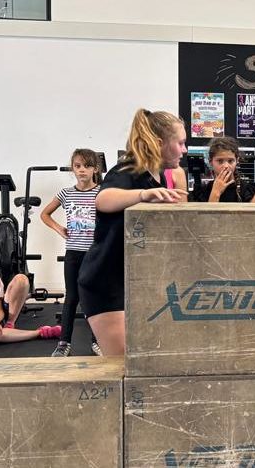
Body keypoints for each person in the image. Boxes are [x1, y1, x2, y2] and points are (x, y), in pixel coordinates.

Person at [77, 108, 188, 356]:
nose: (184, 150)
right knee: (122, 362)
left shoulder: (157, 178)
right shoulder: (128, 170)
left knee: (144, 359)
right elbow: (103, 199)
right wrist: (143, 195)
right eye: (180, 143)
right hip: (105, 281)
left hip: (133, 281)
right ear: (159, 143)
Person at [39, 148, 101, 357]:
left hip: (94, 254)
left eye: (87, 166)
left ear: (95, 169)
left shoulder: (101, 192)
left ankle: (97, 341)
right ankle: (64, 343)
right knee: (72, 297)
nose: (82, 170)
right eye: (78, 166)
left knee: (93, 298)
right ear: (72, 169)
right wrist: (59, 228)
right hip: (73, 252)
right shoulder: (66, 193)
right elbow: (45, 214)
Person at [190, 137, 255, 203]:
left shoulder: (248, 191)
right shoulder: (203, 191)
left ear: (237, 161)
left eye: (230, 161)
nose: (226, 166)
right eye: (220, 161)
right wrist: (215, 193)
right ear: (210, 162)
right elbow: (206, 212)